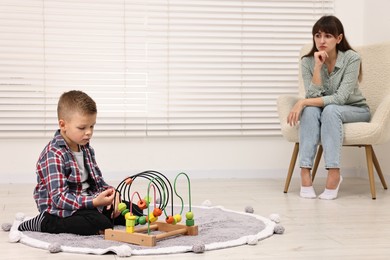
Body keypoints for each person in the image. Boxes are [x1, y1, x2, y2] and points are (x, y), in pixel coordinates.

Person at [18, 90, 142, 235]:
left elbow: (99, 183)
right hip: (61, 209)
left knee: (135, 211)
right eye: (82, 128)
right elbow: (59, 198)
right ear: (63, 125)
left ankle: (98, 214)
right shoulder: (53, 154)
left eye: (92, 126)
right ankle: (44, 222)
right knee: (99, 224)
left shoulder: (87, 149)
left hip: (88, 203)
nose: (88, 132)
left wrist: (113, 194)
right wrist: (94, 202)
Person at [287, 15, 370, 200]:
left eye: (327, 36)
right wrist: (317, 67)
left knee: (327, 109)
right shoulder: (307, 61)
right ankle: (304, 172)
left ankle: (334, 173)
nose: (321, 41)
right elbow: (313, 97)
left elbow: (340, 98)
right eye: (317, 35)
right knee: (310, 110)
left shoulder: (352, 58)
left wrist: (302, 102)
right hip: (328, 111)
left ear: (339, 38)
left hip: (355, 110)